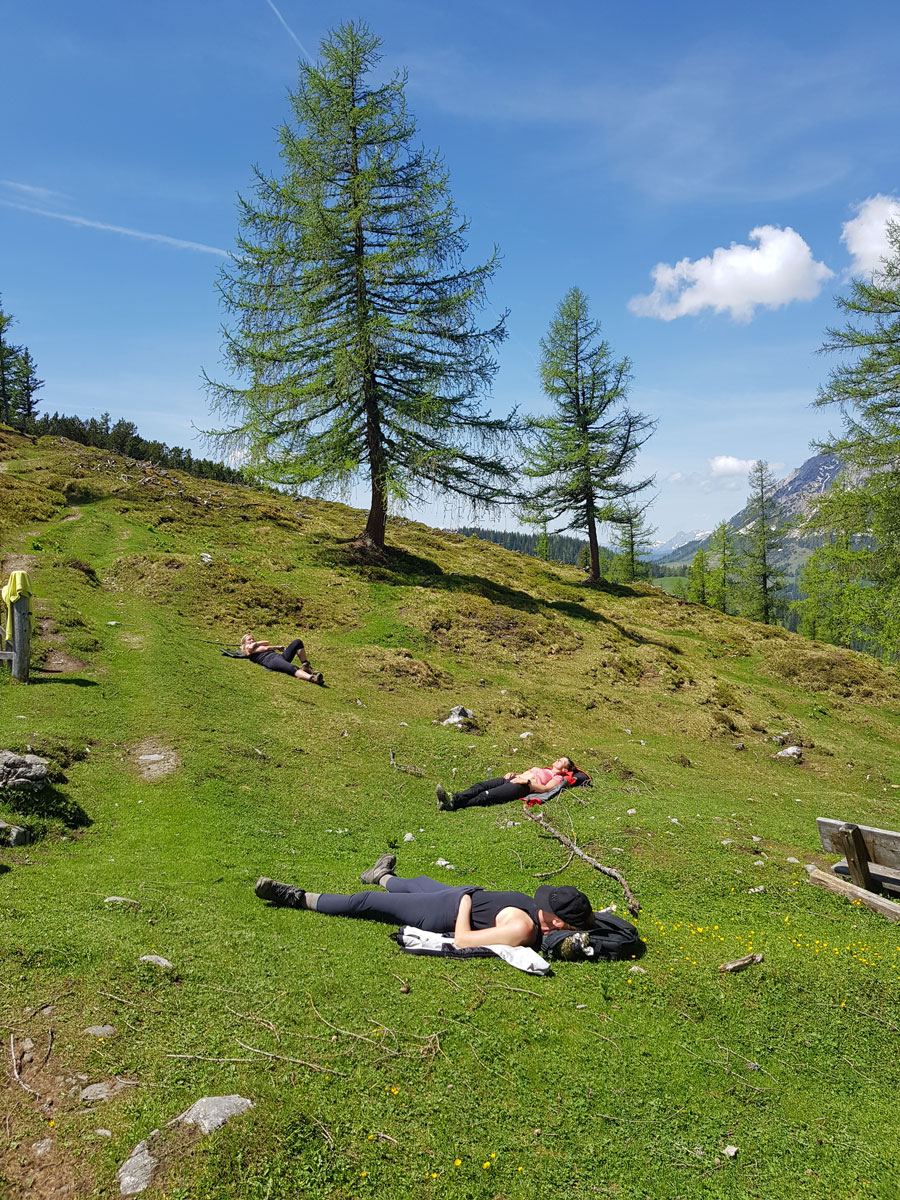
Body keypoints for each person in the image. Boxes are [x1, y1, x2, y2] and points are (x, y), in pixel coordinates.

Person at [254, 854, 595, 950]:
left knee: (366, 902)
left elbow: (464, 940)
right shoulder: (535, 914)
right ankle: (381, 875)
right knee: (415, 882)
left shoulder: (522, 927)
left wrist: (464, 901)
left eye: (547, 905)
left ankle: (296, 897)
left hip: (445, 911)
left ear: (557, 921)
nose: (539, 903)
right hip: (459, 895)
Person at [436, 756, 578, 812]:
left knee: (486, 795)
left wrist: (526, 782)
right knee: (480, 786)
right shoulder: (545, 769)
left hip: (521, 786)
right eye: (559, 758)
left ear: (565, 769)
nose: (558, 760)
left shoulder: (558, 777)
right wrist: (515, 774)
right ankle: (453, 798)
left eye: (561, 761)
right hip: (514, 779)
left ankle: (453, 804)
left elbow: (546, 788)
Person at [240, 633, 323, 684]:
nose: (252, 640)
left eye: (253, 639)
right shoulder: (247, 648)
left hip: (279, 657)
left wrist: (255, 643)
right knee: (292, 667)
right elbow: (265, 648)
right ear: (244, 643)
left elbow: (267, 642)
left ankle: (306, 666)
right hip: (271, 661)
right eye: (249, 639)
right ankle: (312, 678)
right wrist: (277, 647)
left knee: (297, 642)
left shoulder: (254, 645)